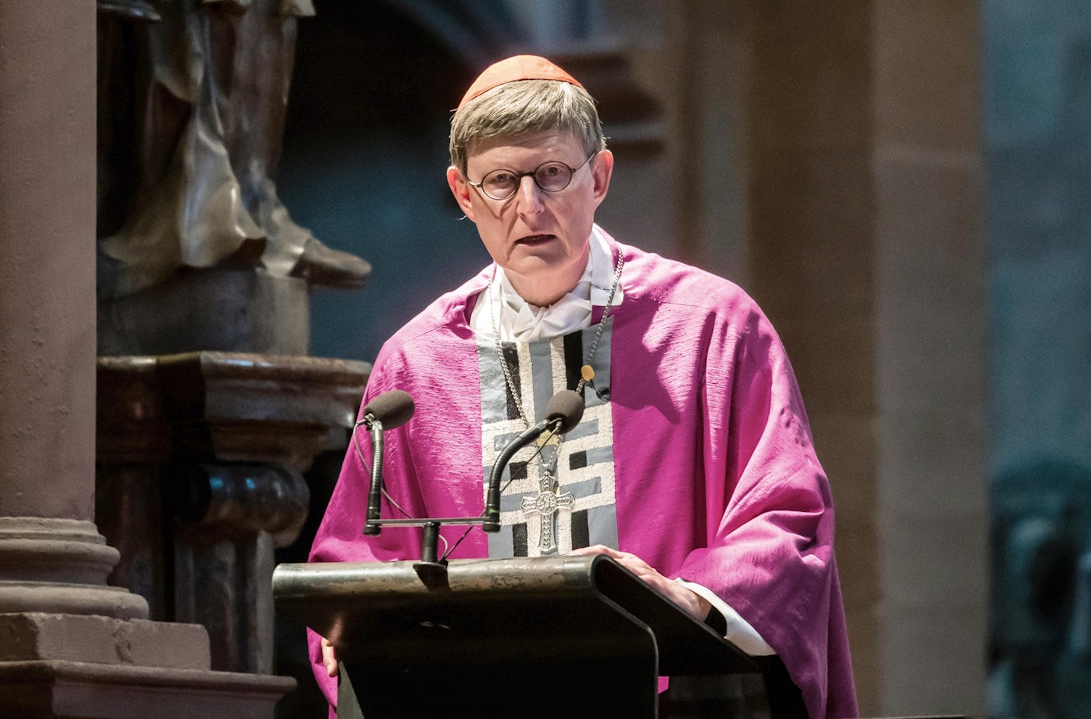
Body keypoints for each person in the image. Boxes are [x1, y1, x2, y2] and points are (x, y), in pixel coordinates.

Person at [306, 55, 858, 718]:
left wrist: (693, 597)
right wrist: (347, 630)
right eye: (501, 182)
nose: (529, 207)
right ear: (463, 194)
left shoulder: (708, 326)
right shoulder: (417, 363)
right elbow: (355, 555)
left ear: (598, 176)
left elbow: (784, 515)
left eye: (552, 175)